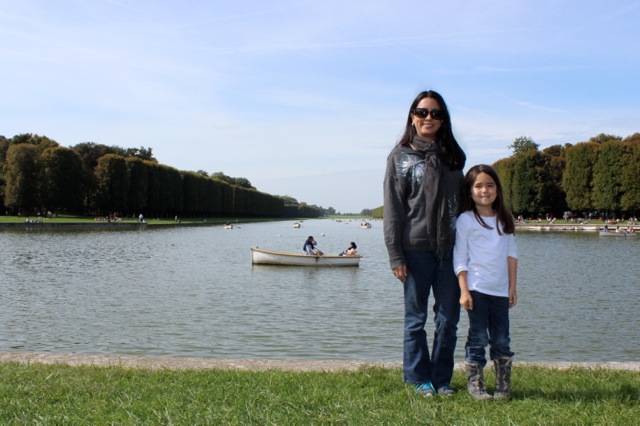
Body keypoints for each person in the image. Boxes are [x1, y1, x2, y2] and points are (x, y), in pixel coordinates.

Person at [383, 90, 467, 397]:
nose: (428, 118)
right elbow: (393, 208)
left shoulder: (453, 157)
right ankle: (418, 378)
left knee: (448, 319)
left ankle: (441, 379)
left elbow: (463, 206)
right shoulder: (399, 157)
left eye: (435, 113)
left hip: (449, 248)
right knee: (415, 319)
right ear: (412, 117)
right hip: (414, 249)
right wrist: (395, 255)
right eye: (422, 112)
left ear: (443, 120)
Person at [453, 164, 518, 400]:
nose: (484, 190)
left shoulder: (505, 219)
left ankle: (503, 385)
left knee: (501, 339)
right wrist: (464, 290)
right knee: (478, 337)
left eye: (490, 185)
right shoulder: (466, 220)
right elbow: (460, 257)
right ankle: (476, 384)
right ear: (469, 191)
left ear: (497, 190)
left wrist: (512, 287)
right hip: (477, 289)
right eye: (478, 186)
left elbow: (511, 254)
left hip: (500, 291)